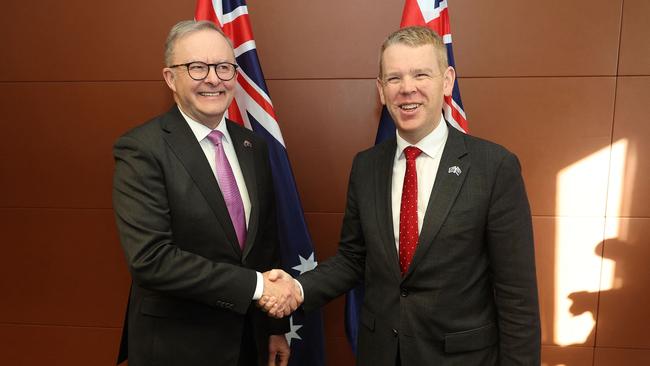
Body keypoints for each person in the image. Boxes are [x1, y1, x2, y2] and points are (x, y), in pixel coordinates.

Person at [261, 26, 541, 365]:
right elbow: (354, 258)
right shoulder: (366, 166)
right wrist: (298, 289)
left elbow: (517, 296)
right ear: (381, 90)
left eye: (421, 74)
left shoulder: (494, 167)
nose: (407, 89)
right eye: (394, 78)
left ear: (447, 80)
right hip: (380, 354)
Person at [112, 20, 297, 366]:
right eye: (197, 67)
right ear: (171, 77)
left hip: (248, 342)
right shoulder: (141, 149)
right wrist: (258, 287)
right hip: (176, 347)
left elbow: (266, 245)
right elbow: (151, 260)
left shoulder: (252, 146)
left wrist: (275, 327)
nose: (213, 79)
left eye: (224, 67)